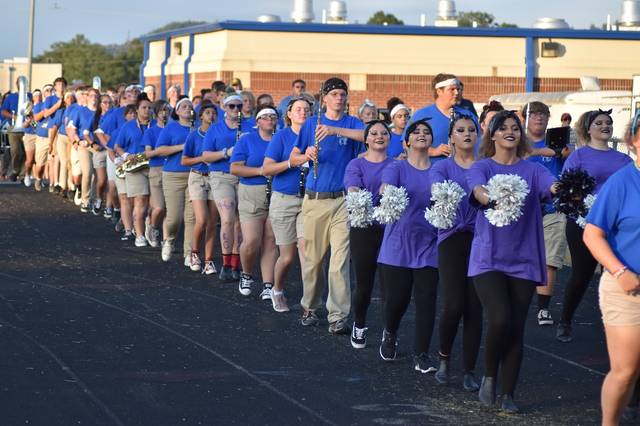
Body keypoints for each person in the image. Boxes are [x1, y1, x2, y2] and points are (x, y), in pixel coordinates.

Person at [468, 110, 557, 413]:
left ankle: (509, 393)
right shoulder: (482, 167)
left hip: (524, 258)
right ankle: (490, 375)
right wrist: (488, 198)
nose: (510, 131)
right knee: (500, 318)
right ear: (491, 135)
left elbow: (551, 185)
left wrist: (563, 189)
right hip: (488, 258)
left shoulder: (533, 170)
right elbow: (477, 188)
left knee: (516, 327)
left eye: (514, 128)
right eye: (503, 127)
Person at [289, 77, 365, 334]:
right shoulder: (311, 123)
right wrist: (306, 155)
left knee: (339, 261)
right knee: (313, 260)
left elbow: (367, 134)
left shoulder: (351, 122)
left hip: (343, 199)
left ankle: (338, 315)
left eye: (342, 94)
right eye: (334, 94)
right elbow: (294, 156)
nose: (339, 98)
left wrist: (335, 131)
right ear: (325, 99)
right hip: (316, 198)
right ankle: (310, 306)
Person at [583, 114, 640, 426]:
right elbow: (592, 234)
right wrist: (620, 272)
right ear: (632, 141)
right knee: (626, 370)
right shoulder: (622, 182)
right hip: (628, 290)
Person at [557, 109, 632, 343]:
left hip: (616, 227)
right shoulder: (578, 156)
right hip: (583, 223)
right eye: (599, 123)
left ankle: (618, 324)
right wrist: (582, 204)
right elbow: (564, 187)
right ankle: (565, 320)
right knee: (582, 275)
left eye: (608, 123)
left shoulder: (624, 160)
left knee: (616, 273)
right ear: (588, 129)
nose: (605, 126)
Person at [377, 118, 439, 374]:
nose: (422, 135)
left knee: (427, 301)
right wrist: (387, 193)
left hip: (430, 243)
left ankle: (422, 354)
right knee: (398, 300)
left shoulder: (439, 169)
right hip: (398, 243)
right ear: (407, 141)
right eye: (416, 132)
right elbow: (385, 188)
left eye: (426, 132)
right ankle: (390, 332)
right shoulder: (397, 167)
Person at [431, 114, 482, 391]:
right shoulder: (442, 168)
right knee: (454, 304)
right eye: (460, 130)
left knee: (475, 307)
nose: (466, 134)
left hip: (481, 241)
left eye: (471, 130)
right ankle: (444, 358)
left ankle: (469, 370)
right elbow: (436, 192)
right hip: (451, 239)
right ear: (451, 137)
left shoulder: (486, 166)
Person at [344, 120, 393, 348]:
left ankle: (389, 332)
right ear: (366, 139)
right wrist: (358, 196)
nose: (379, 136)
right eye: (373, 133)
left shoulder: (396, 165)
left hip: (390, 231)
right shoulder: (356, 164)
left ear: (390, 139)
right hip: (363, 229)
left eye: (384, 133)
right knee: (364, 284)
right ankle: (359, 324)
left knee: (389, 286)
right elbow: (353, 188)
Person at [523, 102, 571, 326]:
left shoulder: (559, 143)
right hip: (523, 208)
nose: (539, 118)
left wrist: (567, 155)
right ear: (525, 118)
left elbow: (571, 168)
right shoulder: (516, 140)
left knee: (550, 258)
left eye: (543, 114)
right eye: (534, 114)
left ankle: (543, 308)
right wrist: (537, 151)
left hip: (552, 207)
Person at [262, 97, 311, 312]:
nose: (303, 112)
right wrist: (292, 162)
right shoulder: (282, 136)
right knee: (288, 256)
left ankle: (309, 302)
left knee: (307, 252)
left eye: (307, 109)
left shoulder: (316, 136)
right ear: (289, 114)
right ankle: (277, 288)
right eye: (298, 109)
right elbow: (267, 169)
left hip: (309, 200)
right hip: (284, 199)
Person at [230, 105, 279, 297]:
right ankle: (247, 273)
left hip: (277, 191)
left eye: (273, 117)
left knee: (270, 240)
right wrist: (261, 170)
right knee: (251, 240)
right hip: (251, 191)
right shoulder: (247, 140)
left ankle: (268, 284)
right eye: (265, 117)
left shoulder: (280, 139)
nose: (269, 120)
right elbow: (235, 168)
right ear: (257, 121)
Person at [202, 94, 244, 280]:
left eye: (238, 106)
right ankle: (226, 264)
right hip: (221, 175)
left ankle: (236, 264)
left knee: (241, 222)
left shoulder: (249, 126)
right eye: (232, 106)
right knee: (227, 219)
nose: (236, 110)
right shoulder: (215, 129)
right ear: (224, 108)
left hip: (244, 176)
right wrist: (226, 152)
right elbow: (206, 156)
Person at [155, 97, 196, 266]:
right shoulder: (171, 128)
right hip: (173, 175)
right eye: (183, 106)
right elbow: (160, 150)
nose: (187, 108)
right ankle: (169, 240)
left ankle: (189, 253)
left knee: (191, 217)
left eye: (190, 106)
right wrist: (182, 146)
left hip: (194, 175)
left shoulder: (198, 128)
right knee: (174, 217)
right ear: (177, 111)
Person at [182, 101, 218, 274]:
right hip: (197, 176)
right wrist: (202, 158)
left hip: (215, 177)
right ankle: (194, 253)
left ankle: (209, 260)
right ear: (201, 116)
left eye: (213, 113)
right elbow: (185, 160)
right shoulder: (194, 135)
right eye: (207, 113)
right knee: (202, 219)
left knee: (212, 221)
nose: (211, 116)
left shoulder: (218, 134)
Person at [114, 94, 153, 246]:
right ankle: (139, 235)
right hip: (135, 167)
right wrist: (126, 155)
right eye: (144, 107)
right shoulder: (128, 126)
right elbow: (117, 146)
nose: (147, 110)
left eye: (149, 108)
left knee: (154, 203)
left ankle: (150, 229)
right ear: (137, 110)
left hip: (153, 166)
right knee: (140, 199)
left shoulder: (156, 125)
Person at [412, 73, 471, 163]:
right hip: (429, 172)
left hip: (461, 173)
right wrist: (433, 151)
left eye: (458, 89)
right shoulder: (421, 115)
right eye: (452, 89)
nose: (456, 92)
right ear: (439, 91)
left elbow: (479, 145)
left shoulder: (468, 116)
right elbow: (406, 145)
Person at [143, 100, 170, 247]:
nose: (164, 114)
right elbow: (147, 153)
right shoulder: (151, 131)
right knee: (159, 207)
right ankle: (152, 227)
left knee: (169, 209)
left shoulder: (172, 129)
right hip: (156, 169)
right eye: (161, 111)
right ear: (156, 113)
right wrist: (161, 151)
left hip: (172, 170)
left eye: (166, 110)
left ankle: (167, 239)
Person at [1, 77, 32, 181]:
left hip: (27, 128)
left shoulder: (30, 96)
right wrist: (13, 117)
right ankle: (15, 170)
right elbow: (3, 111)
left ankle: (23, 174)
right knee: (15, 150)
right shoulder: (10, 97)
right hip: (13, 127)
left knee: (25, 152)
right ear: (17, 84)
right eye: (20, 82)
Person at [21, 89, 41, 188]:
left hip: (40, 135)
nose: (38, 97)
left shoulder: (43, 107)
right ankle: (27, 174)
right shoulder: (29, 107)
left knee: (39, 159)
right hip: (30, 135)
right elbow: (24, 125)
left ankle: (38, 178)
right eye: (36, 95)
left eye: (39, 95)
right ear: (33, 98)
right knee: (29, 160)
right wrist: (29, 120)